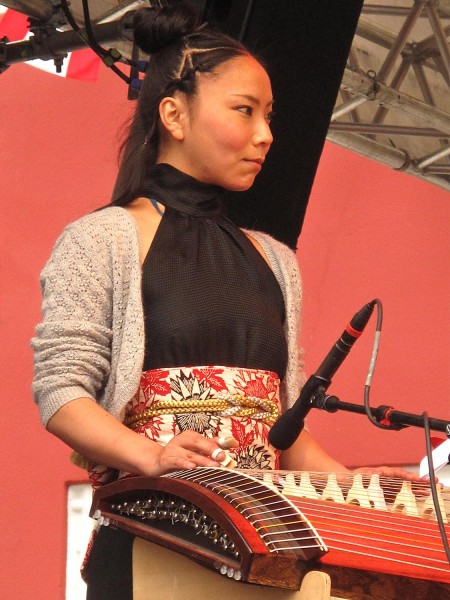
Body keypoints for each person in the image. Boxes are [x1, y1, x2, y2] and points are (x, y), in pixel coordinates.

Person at [31, 4, 421, 598]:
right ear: (173, 114)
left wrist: (360, 491)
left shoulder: (275, 259)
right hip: (152, 540)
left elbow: (281, 432)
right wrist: (151, 454)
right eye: (245, 110)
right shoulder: (100, 238)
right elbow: (61, 393)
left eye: (269, 116)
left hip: (264, 557)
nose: (266, 134)